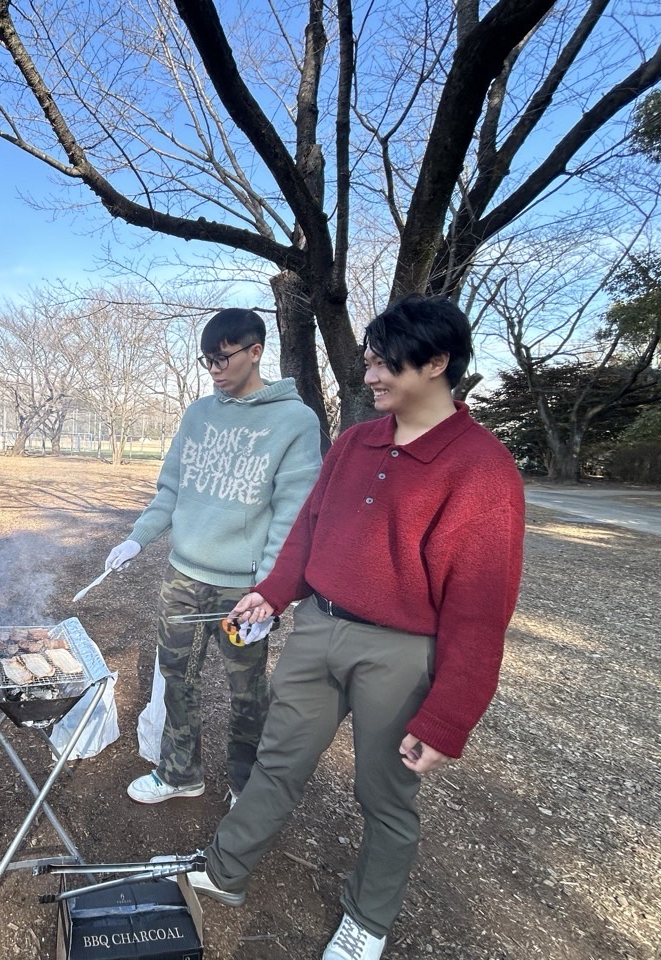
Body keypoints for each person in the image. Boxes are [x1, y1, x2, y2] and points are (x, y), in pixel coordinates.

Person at [184, 295, 526, 960]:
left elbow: (481, 611)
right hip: (317, 628)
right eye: (368, 362)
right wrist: (274, 593)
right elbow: (309, 530)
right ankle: (224, 871)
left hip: (400, 655)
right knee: (278, 761)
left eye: (383, 365)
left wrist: (448, 718)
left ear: (436, 363)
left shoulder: (482, 470)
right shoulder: (354, 442)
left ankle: (367, 919)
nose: (369, 377)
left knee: (384, 792)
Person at [103, 308, 322, 805]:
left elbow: (293, 515)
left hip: (243, 588)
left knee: (247, 690)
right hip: (182, 577)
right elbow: (170, 489)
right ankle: (180, 772)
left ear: (255, 351)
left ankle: (246, 785)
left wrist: (270, 592)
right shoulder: (198, 414)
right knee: (176, 677)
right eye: (207, 361)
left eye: (223, 358)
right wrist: (138, 538)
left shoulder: (295, 421)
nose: (215, 370)